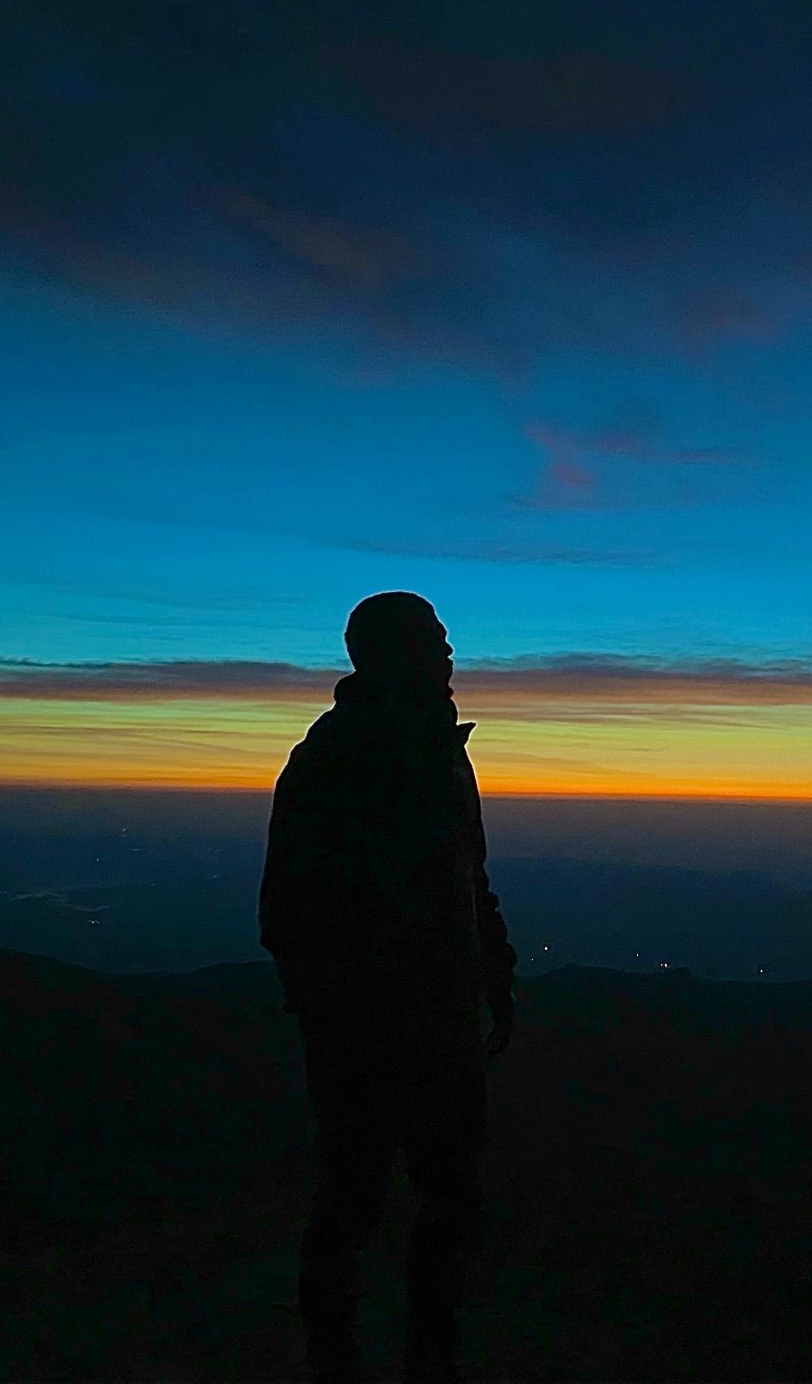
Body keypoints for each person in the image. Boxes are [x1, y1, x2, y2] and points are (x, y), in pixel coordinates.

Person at [258, 592, 518, 1384]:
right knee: (355, 1199)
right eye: (430, 641)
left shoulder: (441, 749)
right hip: (367, 1030)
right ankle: (334, 1360)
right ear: (376, 654)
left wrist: (492, 970)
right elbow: (290, 910)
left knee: (447, 1195)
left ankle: (428, 1357)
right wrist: (342, 1014)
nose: (447, 654)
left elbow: (466, 875)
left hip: (440, 1018)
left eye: (444, 639)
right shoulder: (334, 760)